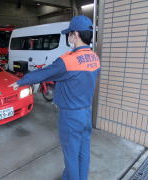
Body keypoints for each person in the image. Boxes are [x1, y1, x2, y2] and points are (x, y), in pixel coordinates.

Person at [9, 15, 100, 180]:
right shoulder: (95, 57)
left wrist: (21, 82)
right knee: (83, 151)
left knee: (71, 154)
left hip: (71, 115)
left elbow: (44, 73)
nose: (68, 37)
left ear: (76, 34)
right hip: (87, 112)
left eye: (69, 34)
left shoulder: (68, 61)